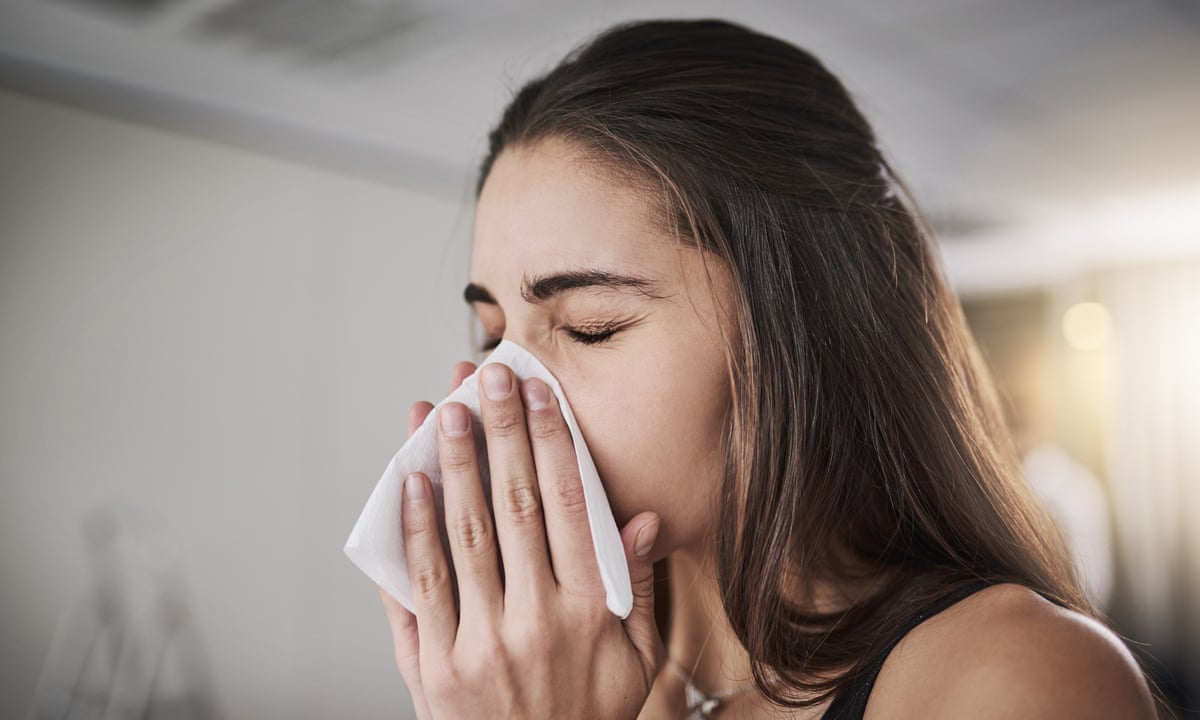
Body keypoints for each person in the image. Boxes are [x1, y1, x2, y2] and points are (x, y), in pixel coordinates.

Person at [377, 18, 1158, 719]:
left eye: (591, 328)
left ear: (798, 329)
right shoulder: (552, 666)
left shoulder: (1010, 682)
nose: (503, 395)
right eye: (493, 336)